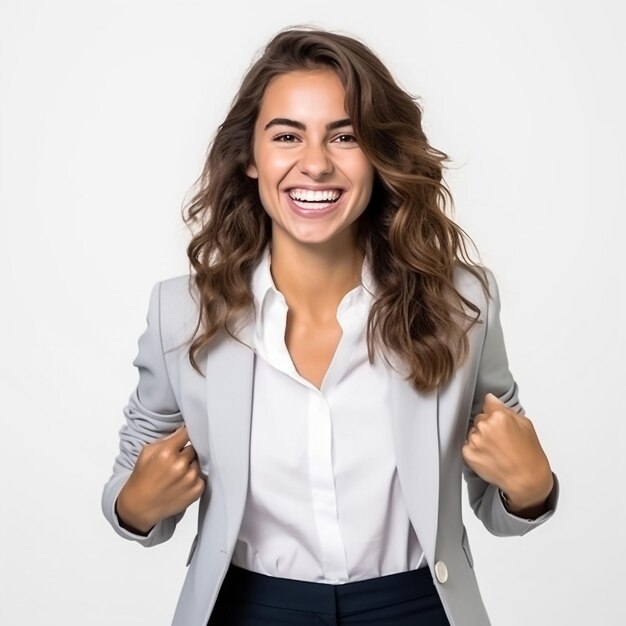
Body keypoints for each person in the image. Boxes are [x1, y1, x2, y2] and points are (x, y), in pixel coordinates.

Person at [102, 25, 559, 626]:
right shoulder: (181, 312)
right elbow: (132, 490)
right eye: (287, 136)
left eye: (345, 137)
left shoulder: (460, 304)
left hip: (416, 607)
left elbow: (502, 494)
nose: (314, 164)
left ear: (379, 155)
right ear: (250, 158)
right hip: (251, 609)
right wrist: (138, 505)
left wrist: (532, 489)